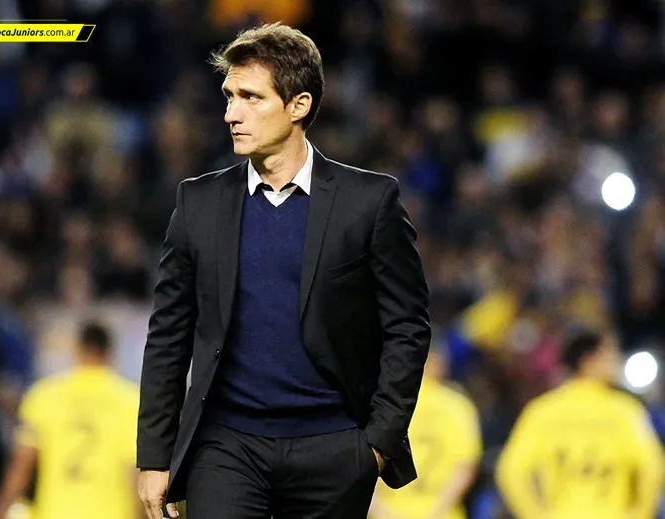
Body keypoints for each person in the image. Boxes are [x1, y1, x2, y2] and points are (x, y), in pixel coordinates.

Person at [136, 22, 432, 519]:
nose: (231, 114)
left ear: (299, 105)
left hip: (334, 448)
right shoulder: (197, 202)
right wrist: (153, 457)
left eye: (251, 98)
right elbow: (168, 335)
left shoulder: (369, 201)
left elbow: (407, 326)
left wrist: (376, 445)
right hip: (225, 447)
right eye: (230, 97)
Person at [496, 329, 665, 519]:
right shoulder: (625, 411)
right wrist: (640, 514)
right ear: (589, 361)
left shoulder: (543, 411)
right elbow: (653, 468)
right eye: (609, 354)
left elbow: (510, 470)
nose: (616, 361)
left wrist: (535, 515)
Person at [0, 321, 141, 519]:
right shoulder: (131, 401)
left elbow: (21, 466)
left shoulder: (44, 395)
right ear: (110, 353)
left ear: (77, 349)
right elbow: (135, 474)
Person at [369, 345, 481, 519]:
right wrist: (435, 513)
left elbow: (359, 469)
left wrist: (382, 513)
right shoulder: (456, 406)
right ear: (437, 363)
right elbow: (465, 468)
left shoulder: (376, 407)